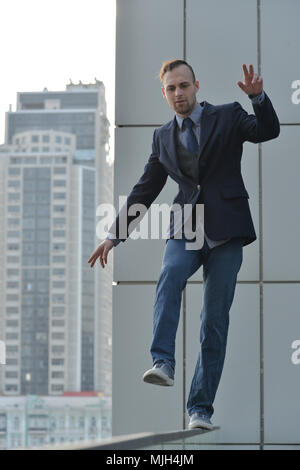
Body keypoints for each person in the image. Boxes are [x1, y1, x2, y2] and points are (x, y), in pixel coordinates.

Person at [88, 60, 280, 430]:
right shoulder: (162, 137)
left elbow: (266, 131)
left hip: (227, 230)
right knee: (171, 272)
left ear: (196, 86)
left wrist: (258, 98)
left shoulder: (227, 116)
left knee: (214, 321)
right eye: (171, 88)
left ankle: (200, 410)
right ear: (164, 93)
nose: (179, 93)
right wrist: (114, 235)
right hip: (187, 228)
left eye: (184, 86)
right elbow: (145, 188)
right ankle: (163, 362)